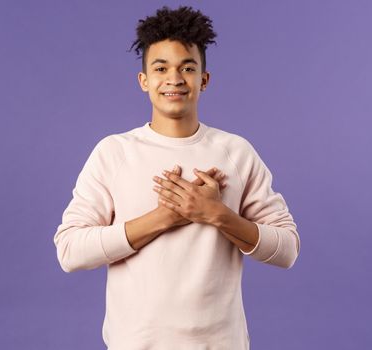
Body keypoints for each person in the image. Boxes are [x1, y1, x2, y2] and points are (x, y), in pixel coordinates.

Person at [53, 5, 300, 349]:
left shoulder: (236, 152)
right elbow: (70, 251)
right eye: (161, 68)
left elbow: (287, 250)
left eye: (187, 67)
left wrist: (217, 215)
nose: (174, 78)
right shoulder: (114, 153)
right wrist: (164, 217)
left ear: (204, 79)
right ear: (144, 81)